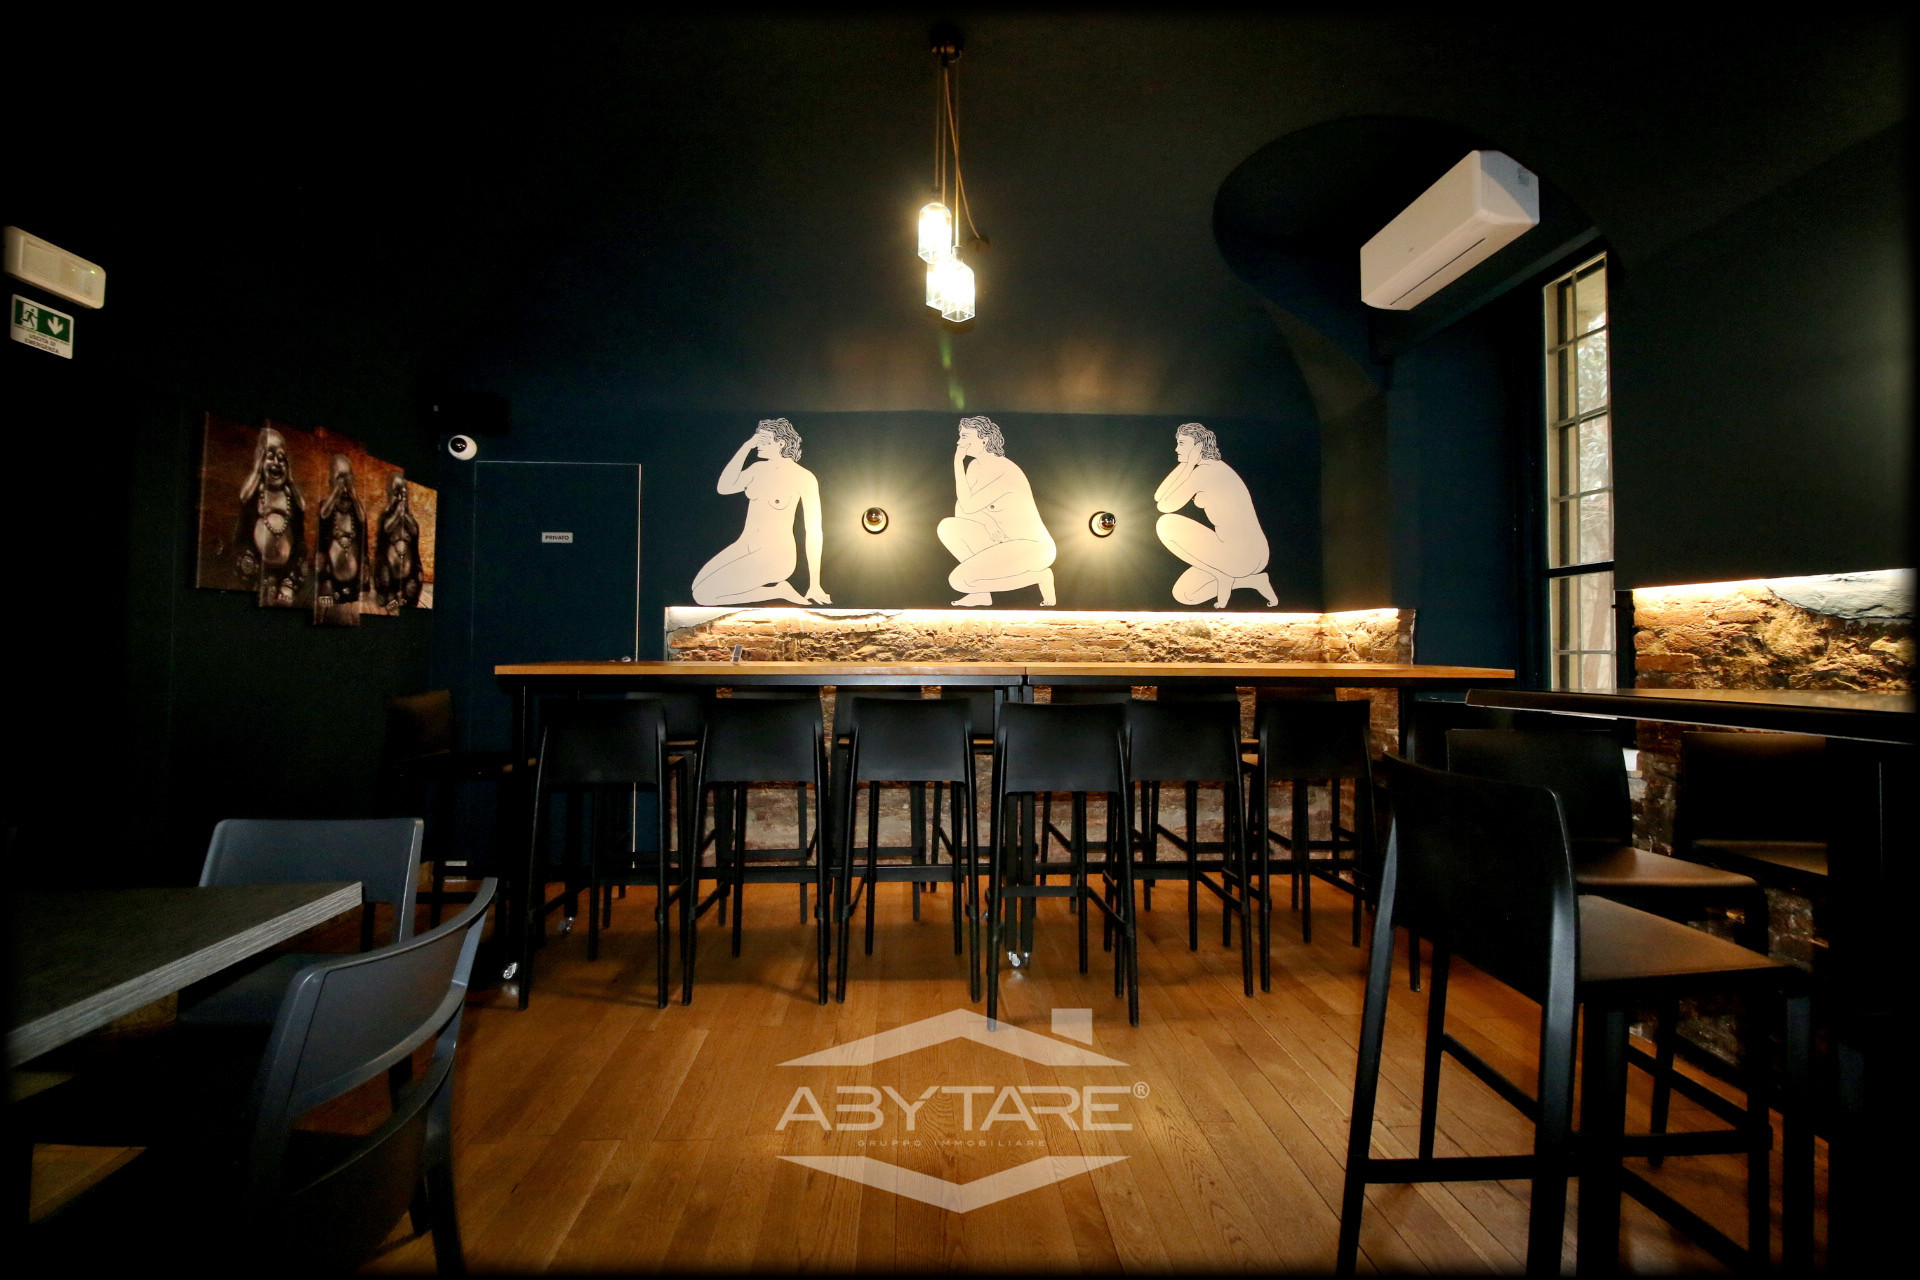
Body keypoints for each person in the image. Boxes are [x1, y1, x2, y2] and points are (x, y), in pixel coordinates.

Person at [692, 418, 831, 606]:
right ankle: (778, 591)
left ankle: (778, 591)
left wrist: (814, 583)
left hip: (775, 556)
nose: (757, 444)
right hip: (744, 546)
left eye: (763, 440)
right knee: (696, 588)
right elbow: (724, 487)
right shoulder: (758, 469)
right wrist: (745, 447)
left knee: (703, 595)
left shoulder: (804, 477)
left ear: (781, 443)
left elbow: (814, 531)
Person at [1153, 422, 1278, 608]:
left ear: (1198, 447)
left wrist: (1189, 465)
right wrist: (1187, 463)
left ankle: (1222, 575)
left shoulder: (1207, 472)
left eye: (1182, 444)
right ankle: (1252, 581)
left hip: (1242, 554)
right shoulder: (1213, 467)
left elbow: (1165, 506)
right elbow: (1159, 496)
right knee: (1185, 594)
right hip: (1247, 554)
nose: (1176, 449)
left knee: (1165, 524)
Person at [937, 415, 1056, 606]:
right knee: (947, 527)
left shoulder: (1004, 469)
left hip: (1033, 548)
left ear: (984, 440)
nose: (959, 442)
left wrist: (957, 462)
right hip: (1001, 541)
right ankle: (981, 594)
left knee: (959, 581)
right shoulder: (974, 466)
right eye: (960, 436)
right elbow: (961, 509)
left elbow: (968, 506)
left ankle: (1039, 577)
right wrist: (987, 522)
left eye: (965, 436)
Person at [235, 426, 307, 607]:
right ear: (260, 459)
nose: (276, 463)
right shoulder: (257, 489)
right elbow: (244, 496)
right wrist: (257, 470)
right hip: (256, 564)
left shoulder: (289, 493)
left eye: (282, 459)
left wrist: (291, 479)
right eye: (270, 457)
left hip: (287, 569)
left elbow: (302, 506)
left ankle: (288, 585)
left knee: (300, 567)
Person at [313, 454, 366, 613]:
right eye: (339, 478)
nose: (344, 483)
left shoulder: (355, 506)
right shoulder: (327, 505)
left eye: (347, 478)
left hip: (354, 575)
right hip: (331, 574)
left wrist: (354, 495)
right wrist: (335, 492)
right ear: (331, 481)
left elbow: (362, 519)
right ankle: (327, 587)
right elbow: (323, 515)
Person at [374, 472, 423, 607]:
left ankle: (406, 598)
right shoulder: (385, 517)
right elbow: (386, 528)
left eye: (403, 494)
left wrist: (404, 515)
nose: (400, 498)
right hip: (389, 573)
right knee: (383, 574)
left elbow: (414, 530)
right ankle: (389, 596)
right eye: (396, 494)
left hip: (408, 574)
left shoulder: (410, 520)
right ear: (389, 495)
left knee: (415, 579)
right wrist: (397, 514)